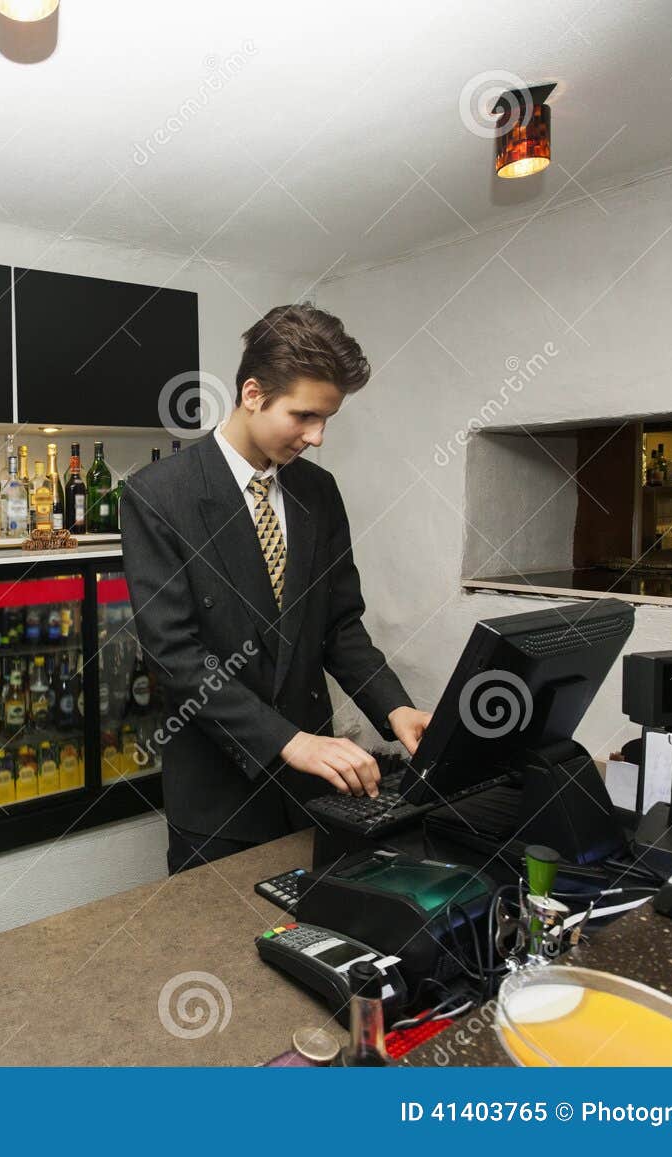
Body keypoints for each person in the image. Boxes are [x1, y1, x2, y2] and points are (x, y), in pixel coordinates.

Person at [120, 304, 431, 875]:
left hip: (313, 791)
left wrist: (396, 708)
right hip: (218, 800)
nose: (317, 437)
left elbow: (339, 625)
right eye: (305, 416)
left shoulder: (319, 491)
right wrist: (290, 741)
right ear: (254, 393)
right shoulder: (158, 494)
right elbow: (175, 656)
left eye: (327, 419)